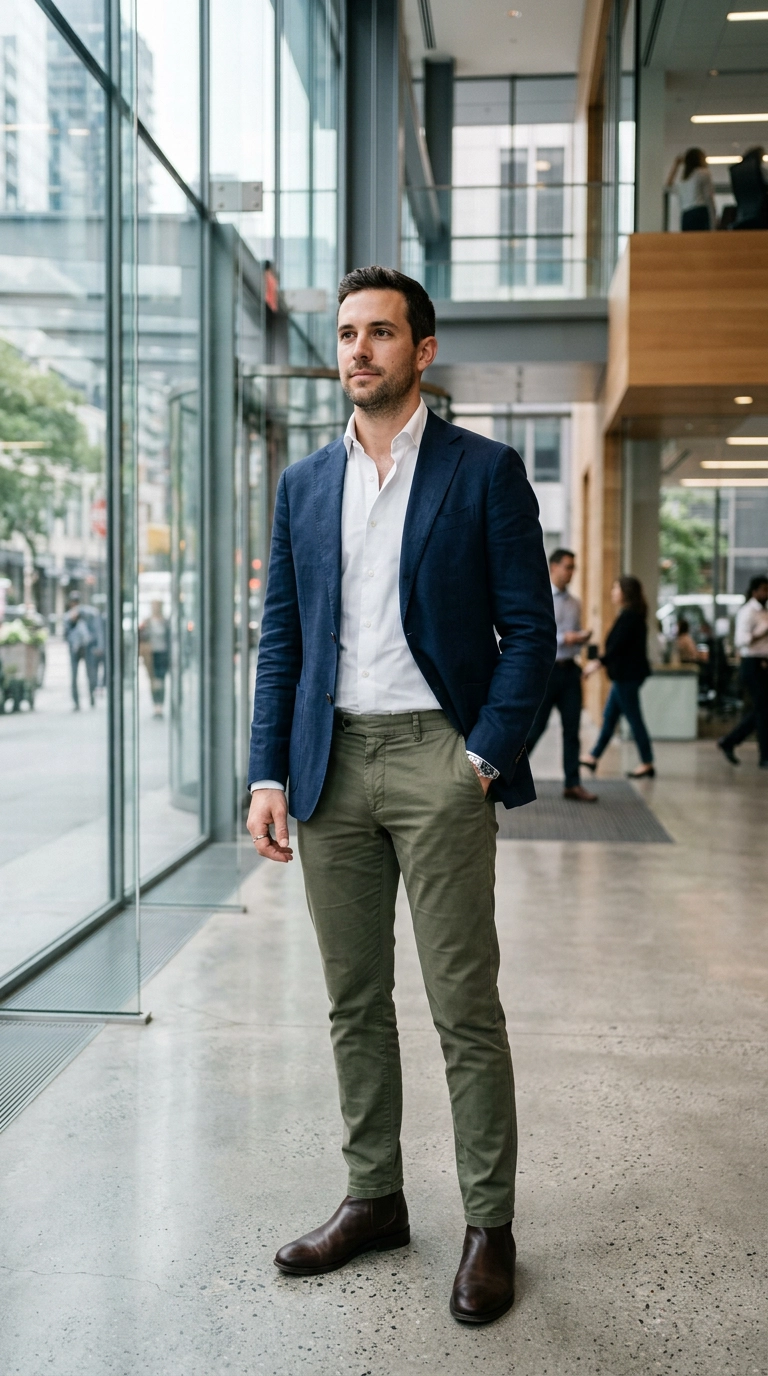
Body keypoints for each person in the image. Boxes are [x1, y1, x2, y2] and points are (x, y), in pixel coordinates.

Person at [246, 265, 556, 1325]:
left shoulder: (484, 471)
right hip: (329, 766)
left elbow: (533, 635)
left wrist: (483, 755)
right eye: (346, 334)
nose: (360, 349)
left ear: (422, 350)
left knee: (464, 1004)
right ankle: (375, 1196)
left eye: (382, 332)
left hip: (439, 757)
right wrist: (267, 770)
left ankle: (488, 1223)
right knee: (353, 1001)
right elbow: (284, 637)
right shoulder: (300, 485)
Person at [525, 548, 596, 801]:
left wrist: (580, 639)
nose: (571, 573)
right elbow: (535, 637)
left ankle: (572, 784)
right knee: (534, 729)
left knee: (572, 731)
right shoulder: (539, 598)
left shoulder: (575, 603)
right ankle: (508, 778)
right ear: (553, 567)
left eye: (573, 568)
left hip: (569, 672)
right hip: (545, 673)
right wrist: (565, 638)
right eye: (567, 567)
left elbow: (574, 642)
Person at [580, 575, 655, 780]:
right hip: (624, 677)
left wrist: (596, 664)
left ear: (625, 593)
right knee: (609, 717)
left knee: (634, 719)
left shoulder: (630, 617)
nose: (613, 592)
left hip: (627, 677)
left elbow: (616, 648)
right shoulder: (630, 615)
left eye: (616, 588)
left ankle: (647, 762)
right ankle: (593, 756)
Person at [717, 575, 768, 767]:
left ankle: (729, 741)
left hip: (764, 664)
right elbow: (741, 641)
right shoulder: (747, 612)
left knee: (763, 711)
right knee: (763, 711)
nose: (766, 593)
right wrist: (760, 632)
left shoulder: (765, 612)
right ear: (754, 592)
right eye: (763, 589)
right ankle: (764, 756)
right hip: (751, 664)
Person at [666, 148, 716, 231]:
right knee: (703, 241)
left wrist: (676, 164)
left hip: (686, 214)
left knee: (688, 241)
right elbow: (709, 197)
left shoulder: (683, 180)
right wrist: (713, 220)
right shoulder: (703, 173)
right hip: (700, 212)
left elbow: (668, 186)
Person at [63, 592, 97, 711]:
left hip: (86, 647)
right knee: (74, 676)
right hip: (75, 649)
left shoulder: (87, 613)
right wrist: (72, 621)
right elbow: (66, 634)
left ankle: (92, 695)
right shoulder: (68, 617)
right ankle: (76, 701)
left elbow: (94, 629)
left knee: (90, 674)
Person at [140, 599, 170, 718]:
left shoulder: (166, 622)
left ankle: (160, 705)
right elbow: (142, 637)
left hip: (163, 654)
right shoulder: (147, 621)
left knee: (161, 681)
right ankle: (155, 706)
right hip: (150, 654)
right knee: (153, 681)